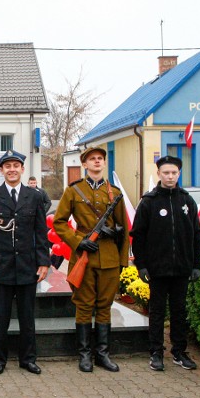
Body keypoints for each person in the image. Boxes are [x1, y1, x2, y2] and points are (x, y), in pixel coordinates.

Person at [53, 146, 129, 373]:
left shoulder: (114, 193)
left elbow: (123, 228)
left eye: (100, 159)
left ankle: (102, 355)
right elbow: (59, 222)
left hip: (109, 257)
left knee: (104, 306)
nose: (97, 162)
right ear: (84, 164)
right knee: (84, 306)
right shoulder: (74, 191)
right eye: (92, 159)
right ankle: (85, 355)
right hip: (84, 255)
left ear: (104, 164)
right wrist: (78, 241)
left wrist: (121, 256)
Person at [0, 150, 50, 375]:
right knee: (0, 316)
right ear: (0, 170)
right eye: (7, 166)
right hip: (1, 267)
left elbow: (41, 232)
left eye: (15, 165)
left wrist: (44, 262)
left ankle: (28, 359)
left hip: (28, 266)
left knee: (27, 317)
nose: (11, 169)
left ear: (22, 169)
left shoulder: (35, 197)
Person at [130, 155, 200, 371]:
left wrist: (196, 264)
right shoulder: (149, 202)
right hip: (157, 270)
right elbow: (138, 236)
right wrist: (141, 265)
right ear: (158, 174)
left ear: (179, 174)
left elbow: (196, 235)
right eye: (166, 173)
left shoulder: (187, 201)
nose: (170, 176)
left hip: (182, 269)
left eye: (174, 173)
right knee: (157, 311)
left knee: (180, 312)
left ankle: (179, 352)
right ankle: (156, 352)